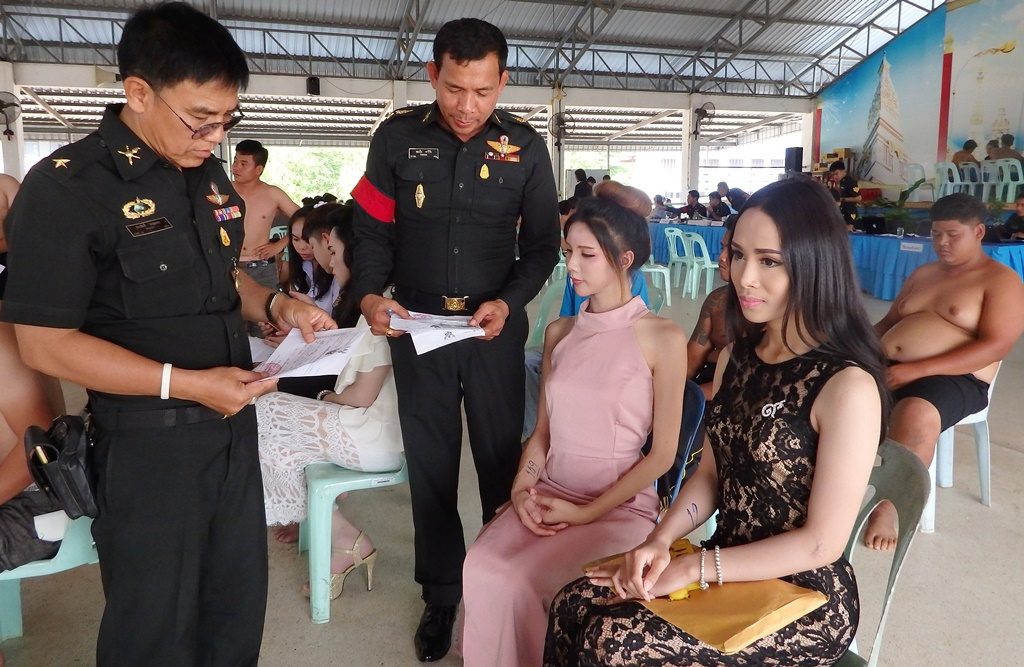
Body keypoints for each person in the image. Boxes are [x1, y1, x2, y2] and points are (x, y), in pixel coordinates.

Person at [0, 4, 335, 664]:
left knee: (234, 617)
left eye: (226, 121)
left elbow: (221, 275)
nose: (214, 137)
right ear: (137, 93)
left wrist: (275, 304)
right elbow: (45, 342)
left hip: (233, 434)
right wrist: (183, 384)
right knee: (152, 633)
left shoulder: (204, 173)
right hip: (146, 453)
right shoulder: (67, 189)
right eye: (199, 119)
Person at [545, 177, 890, 666]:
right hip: (725, 564)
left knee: (614, 641)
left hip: (805, 596)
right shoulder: (738, 358)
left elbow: (820, 543)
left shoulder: (846, 386)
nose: (745, 277)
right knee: (573, 605)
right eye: (740, 255)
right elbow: (709, 474)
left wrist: (695, 570)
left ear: (815, 263)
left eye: (770, 261)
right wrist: (660, 541)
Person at [350, 17, 559, 662]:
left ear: (502, 82)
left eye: (483, 92)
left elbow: (544, 246)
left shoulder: (526, 147)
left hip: (493, 331)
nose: (467, 107)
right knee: (432, 468)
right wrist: (369, 295)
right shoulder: (394, 139)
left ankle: (505, 586)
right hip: (417, 330)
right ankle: (441, 596)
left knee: (502, 462)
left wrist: (509, 302)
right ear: (433, 74)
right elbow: (371, 233)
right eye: (454, 89)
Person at [462, 181, 686, 667]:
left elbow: (664, 454)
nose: (573, 266)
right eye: (569, 252)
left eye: (588, 254)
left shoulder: (661, 337)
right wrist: (522, 489)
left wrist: (585, 513)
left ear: (625, 260)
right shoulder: (560, 333)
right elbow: (541, 435)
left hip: (618, 503)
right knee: (481, 565)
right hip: (551, 488)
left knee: (527, 581)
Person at [864, 193, 1024, 550]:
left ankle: (890, 505)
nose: (942, 242)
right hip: (893, 366)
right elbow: (889, 322)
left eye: (953, 235)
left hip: (958, 377)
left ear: (979, 232)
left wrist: (916, 369)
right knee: (825, 388)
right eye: (936, 234)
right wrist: (855, 351)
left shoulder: (1001, 280)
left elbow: (995, 346)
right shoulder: (924, 273)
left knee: (917, 412)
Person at [257, 204, 402, 595]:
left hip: (373, 435)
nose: (330, 262)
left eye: (335, 253)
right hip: (365, 424)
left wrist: (321, 394)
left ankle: (344, 536)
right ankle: (328, 527)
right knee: (266, 413)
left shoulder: (380, 310)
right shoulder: (373, 303)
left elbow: (359, 395)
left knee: (263, 411)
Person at [232, 138, 300, 290]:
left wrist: (280, 245)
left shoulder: (273, 194)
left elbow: (305, 219)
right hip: (228, 266)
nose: (236, 167)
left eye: (243, 164)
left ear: (258, 169)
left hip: (262, 267)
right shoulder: (223, 191)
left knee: (265, 312)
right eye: (235, 161)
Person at [686, 217, 735, 400]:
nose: (722, 257)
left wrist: (690, 397)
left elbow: (749, 381)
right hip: (707, 384)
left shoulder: (774, 312)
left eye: (733, 251)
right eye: (723, 247)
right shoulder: (717, 300)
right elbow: (692, 360)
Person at [284, 198, 339, 312]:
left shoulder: (337, 273)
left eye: (307, 239)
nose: (302, 247)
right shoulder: (300, 269)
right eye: (296, 239)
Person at [827, 160, 861, 231]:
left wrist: (843, 199)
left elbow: (858, 198)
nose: (834, 176)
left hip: (850, 213)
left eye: (836, 173)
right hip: (839, 213)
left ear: (843, 171)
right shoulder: (835, 183)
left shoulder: (851, 182)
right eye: (832, 175)